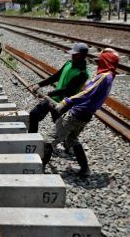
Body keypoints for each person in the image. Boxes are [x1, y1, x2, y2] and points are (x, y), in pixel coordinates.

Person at [43, 48, 120, 176]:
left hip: (77, 113)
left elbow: (87, 93)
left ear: (105, 61)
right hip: (86, 115)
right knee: (72, 139)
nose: (98, 63)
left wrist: (66, 101)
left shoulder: (103, 77)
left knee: (50, 139)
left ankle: (39, 168)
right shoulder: (110, 76)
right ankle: (85, 169)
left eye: (100, 60)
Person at [28, 43, 90, 133]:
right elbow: (56, 77)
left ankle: (72, 145)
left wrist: (49, 94)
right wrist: (40, 84)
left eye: (75, 54)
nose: (72, 56)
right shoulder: (68, 64)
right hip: (52, 98)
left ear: (82, 56)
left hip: (63, 104)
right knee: (34, 114)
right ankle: (32, 139)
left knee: (61, 129)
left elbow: (68, 89)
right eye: (72, 53)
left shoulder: (82, 73)